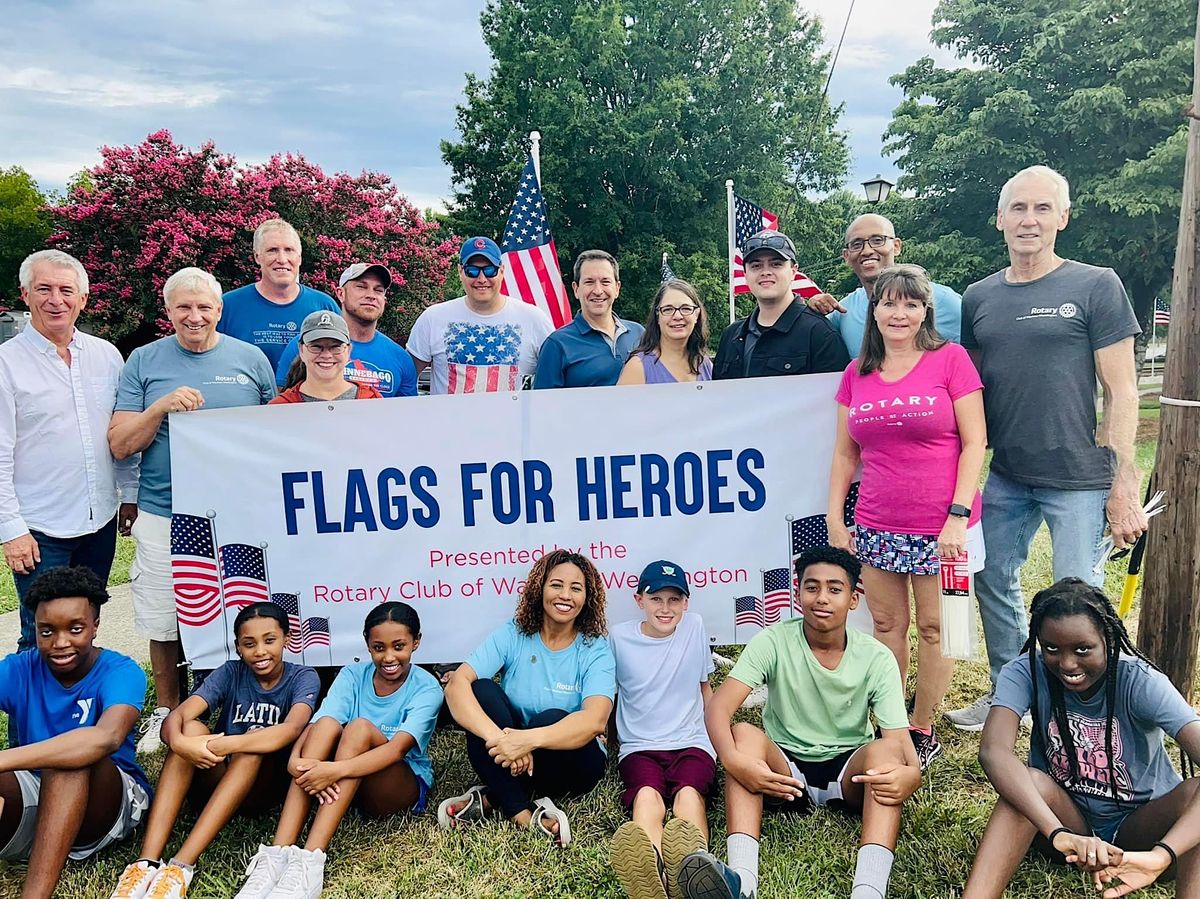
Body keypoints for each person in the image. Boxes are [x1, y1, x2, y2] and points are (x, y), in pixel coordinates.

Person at [946, 165, 1147, 732]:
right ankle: (1011, 695)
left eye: (1041, 208)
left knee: (1076, 599)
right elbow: (971, 393)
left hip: (1081, 477)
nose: (1028, 220)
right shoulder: (979, 296)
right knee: (991, 578)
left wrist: (1123, 479)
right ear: (1000, 219)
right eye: (1017, 208)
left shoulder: (1095, 284)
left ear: (1063, 217)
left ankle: (1084, 709)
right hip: (1008, 472)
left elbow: (1123, 389)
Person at [680, 546, 920, 899]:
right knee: (743, 736)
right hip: (784, 773)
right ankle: (743, 883)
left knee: (885, 756)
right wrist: (733, 762)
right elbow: (718, 710)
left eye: (835, 589)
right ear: (797, 593)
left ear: (854, 600)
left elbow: (899, 743)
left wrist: (911, 774)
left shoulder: (876, 657)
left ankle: (869, 890)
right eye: (812, 587)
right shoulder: (773, 641)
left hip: (849, 773)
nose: (822, 598)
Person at [109, 267, 276, 754]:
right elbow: (121, 444)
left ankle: (240, 700)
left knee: (240, 608)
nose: (194, 315)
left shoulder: (251, 360)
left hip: (238, 510)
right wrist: (160, 408)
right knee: (164, 615)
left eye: (204, 307)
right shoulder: (144, 360)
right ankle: (166, 707)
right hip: (165, 510)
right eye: (184, 306)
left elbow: (279, 433)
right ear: (169, 311)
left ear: (220, 311)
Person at [827, 264, 987, 767]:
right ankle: (891, 719)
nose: (899, 313)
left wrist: (957, 515)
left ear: (925, 311)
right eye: (889, 303)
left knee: (938, 628)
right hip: (877, 522)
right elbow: (844, 455)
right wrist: (836, 518)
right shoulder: (857, 374)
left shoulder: (951, 360)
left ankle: (922, 727)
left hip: (943, 527)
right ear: (873, 312)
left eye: (911, 304)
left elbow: (975, 442)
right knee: (887, 625)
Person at [963, 578, 1200, 899]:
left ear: (1108, 639)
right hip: (1065, 825)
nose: (1068, 663)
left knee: (1194, 794)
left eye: (1082, 649)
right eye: (1051, 649)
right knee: (1024, 781)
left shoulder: (1139, 681)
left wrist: (1161, 855)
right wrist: (1058, 833)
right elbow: (993, 752)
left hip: (1142, 830)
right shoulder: (1026, 671)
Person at [109, 603, 320, 899]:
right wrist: (183, 744)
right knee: (192, 728)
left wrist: (220, 744)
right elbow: (176, 718)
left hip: (262, 787)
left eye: (269, 640)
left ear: (287, 638)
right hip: (216, 775)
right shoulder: (230, 672)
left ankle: (180, 867)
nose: (260, 651)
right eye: (249, 644)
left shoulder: (302, 677)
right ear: (237, 647)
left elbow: (289, 731)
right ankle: (145, 863)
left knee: (254, 742)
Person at [234, 602, 442, 899]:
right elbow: (318, 724)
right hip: (345, 782)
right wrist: (295, 760)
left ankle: (310, 861)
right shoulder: (353, 674)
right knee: (330, 723)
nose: (389, 657)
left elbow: (397, 750)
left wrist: (333, 770)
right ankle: (277, 854)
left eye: (399, 646)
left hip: (397, 786)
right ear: (367, 645)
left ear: (416, 642)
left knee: (358, 727)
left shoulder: (427, 687)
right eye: (379, 647)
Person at [0, 250, 139, 653]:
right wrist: (12, 531)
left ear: (83, 298)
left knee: (85, 628)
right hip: (40, 529)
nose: (55, 300)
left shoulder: (107, 356)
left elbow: (120, 434)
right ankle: (35, 718)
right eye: (44, 289)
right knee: (42, 634)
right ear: (25, 295)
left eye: (66, 290)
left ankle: (81, 715)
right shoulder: (7, 364)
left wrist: (128, 496)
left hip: (98, 522)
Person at [440, 549, 615, 845]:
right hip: (512, 754)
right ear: (540, 588)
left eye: (576, 588)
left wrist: (527, 740)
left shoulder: (595, 648)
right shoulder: (514, 633)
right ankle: (523, 814)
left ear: (588, 598)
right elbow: (457, 685)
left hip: (574, 760)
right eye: (556, 584)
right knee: (481, 691)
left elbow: (595, 720)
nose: (565, 595)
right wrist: (501, 739)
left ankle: (493, 796)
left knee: (552, 718)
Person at [0, 567, 150, 899]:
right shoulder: (20, 668)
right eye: (47, 631)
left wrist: (4, 759)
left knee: (71, 760)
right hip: (37, 796)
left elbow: (106, 738)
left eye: (76, 629)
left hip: (107, 803)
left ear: (96, 626)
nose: (61, 643)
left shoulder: (121, 671)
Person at [610, 560, 715, 899]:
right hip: (640, 746)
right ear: (639, 600)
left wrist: (718, 736)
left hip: (692, 742)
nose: (665, 608)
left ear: (686, 602)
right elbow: (609, 694)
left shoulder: (694, 626)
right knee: (646, 796)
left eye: (674, 600)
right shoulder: (619, 637)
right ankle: (649, 871)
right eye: (656, 599)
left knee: (688, 796)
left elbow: (705, 686)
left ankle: (692, 871)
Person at [407, 236, 555, 394]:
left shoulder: (534, 319)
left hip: (514, 419)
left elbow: (557, 378)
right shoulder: (432, 319)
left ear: (502, 271)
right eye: (472, 271)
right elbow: (405, 378)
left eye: (490, 270)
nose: (481, 279)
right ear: (460, 271)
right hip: (448, 419)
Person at [809, 214, 962, 357]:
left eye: (877, 240)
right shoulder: (843, 312)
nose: (867, 250)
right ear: (847, 256)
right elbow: (809, 339)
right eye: (857, 244)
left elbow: (975, 362)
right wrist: (813, 308)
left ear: (896, 246)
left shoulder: (944, 301)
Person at [712, 230, 849, 379]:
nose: (765, 272)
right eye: (756, 266)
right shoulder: (731, 335)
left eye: (776, 264)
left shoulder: (820, 334)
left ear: (793, 271)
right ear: (745, 274)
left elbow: (838, 399)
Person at [273, 262, 417, 397]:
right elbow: (284, 407)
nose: (371, 295)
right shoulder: (306, 346)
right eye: (361, 287)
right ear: (341, 294)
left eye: (378, 290)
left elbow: (406, 416)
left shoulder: (400, 358)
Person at [217, 219, 339, 371]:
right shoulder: (228, 306)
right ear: (257, 257)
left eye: (289, 250)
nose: (282, 259)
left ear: (299, 258)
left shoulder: (324, 306)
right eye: (272, 250)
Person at [533, 249, 644, 388]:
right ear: (576, 289)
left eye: (605, 282)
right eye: (589, 282)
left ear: (617, 288)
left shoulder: (639, 334)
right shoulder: (557, 344)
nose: (598, 291)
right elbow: (543, 404)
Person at [270, 311, 383, 403]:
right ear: (301, 350)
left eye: (335, 347)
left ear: (348, 351)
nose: (326, 355)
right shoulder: (281, 407)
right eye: (316, 347)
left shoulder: (372, 400)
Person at [617, 280, 713, 385]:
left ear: (696, 315)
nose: (677, 316)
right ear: (657, 316)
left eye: (685, 308)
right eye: (668, 309)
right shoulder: (638, 367)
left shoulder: (706, 365)